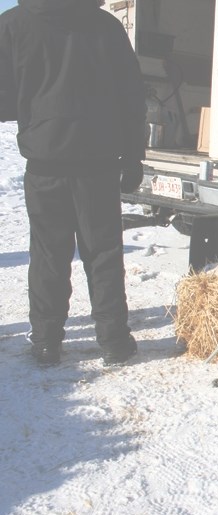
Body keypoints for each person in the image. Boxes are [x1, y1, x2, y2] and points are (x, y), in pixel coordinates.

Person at [0, 0, 146, 366]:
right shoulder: (105, 25)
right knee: (104, 252)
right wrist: (133, 156)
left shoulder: (13, 24)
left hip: (45, 160)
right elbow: (131, 94)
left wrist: (38, 108)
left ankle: (47, 342)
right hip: (98, 161)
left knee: (49, 253)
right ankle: (113, 340)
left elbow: (3, 99)